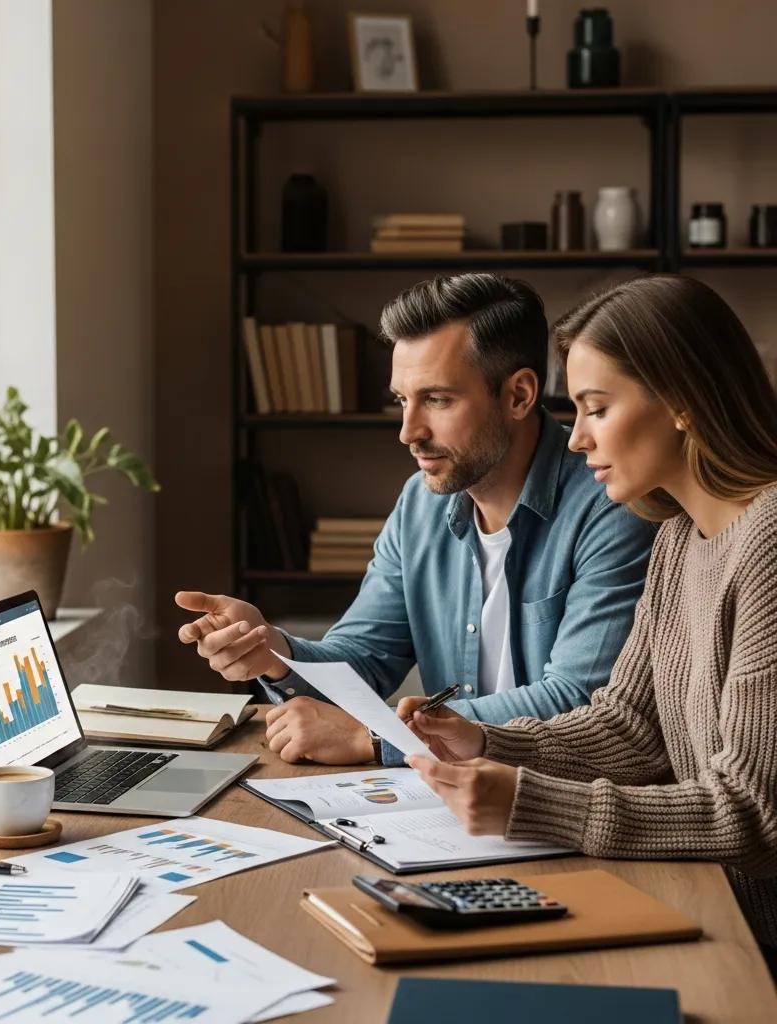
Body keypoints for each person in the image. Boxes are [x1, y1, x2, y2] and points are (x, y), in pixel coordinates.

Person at [400, 275, 777, 971]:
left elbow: (754, 814)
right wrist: (484, 740)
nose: (574, 441)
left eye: (597, 409)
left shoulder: (769, 546)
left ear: (684, 402)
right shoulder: (679, 538)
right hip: (718, 915)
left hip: (759, 947)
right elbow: (630, 726)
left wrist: (532, 803)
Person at [176, 273, 656, 765]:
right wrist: (274, 651)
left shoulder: (613, 506)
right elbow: (364, 657)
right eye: (402, 400)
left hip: (559, 807)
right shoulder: (419, 504)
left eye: (438, 399)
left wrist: (378, 739)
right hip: (443, 807)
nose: (409, 431)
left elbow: (579, 702)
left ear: (518, 395)